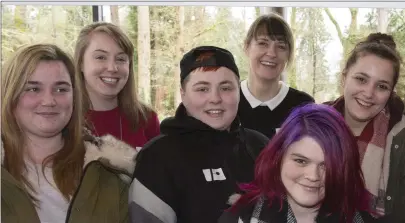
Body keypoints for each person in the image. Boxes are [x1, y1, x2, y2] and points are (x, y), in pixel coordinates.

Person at [128, 46, 269, 222]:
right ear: (183, 94)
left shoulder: (261, 146)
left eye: (226, 88)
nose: (215, 98)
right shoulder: (157, 157)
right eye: (202, 89)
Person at [1, 43, 136, 223]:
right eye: (33, 89)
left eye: (61, 89)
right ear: (10, 95)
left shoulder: (109, 173)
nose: (49, 101)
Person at [324, 33, 405, 223]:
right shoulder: (312, 124)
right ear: (344, 78)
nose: (368, 93)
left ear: (390, 93)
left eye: (381, 86)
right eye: (361, 79)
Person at [219, 103, 385, 223]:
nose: (313, 176)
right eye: (300, 160)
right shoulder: (239, 217)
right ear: (278, 157)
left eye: (327, 165)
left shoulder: (365, 219)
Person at [74, 22, 160, 150]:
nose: (112, 68)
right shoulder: (64, 118)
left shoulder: (146, 119)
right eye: (101, 57)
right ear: (81, 63)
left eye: (120, 59)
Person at [239, 13, 315, 139]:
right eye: (263, 43)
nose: (272, 53)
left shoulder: (303, 106)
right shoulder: (227, 99)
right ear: (247, 47)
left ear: (289, 54)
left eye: (281, 46)